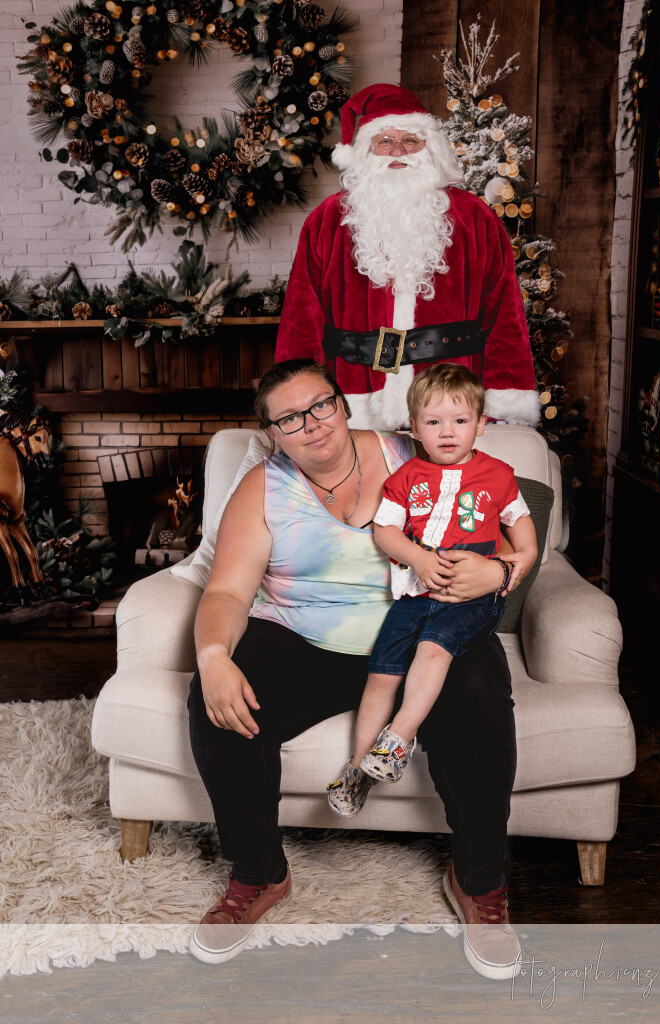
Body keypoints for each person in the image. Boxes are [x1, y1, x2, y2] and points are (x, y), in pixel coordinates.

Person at [187, 358, 521, 981]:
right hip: (303, 635)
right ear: (272, 433)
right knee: (218, 700)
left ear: (342, 405)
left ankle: (479, 881)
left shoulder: (413, 452)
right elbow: (227, 593)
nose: (312, 424)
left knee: (479, 688)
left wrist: (499, 570)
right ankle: (259, 874)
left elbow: (494, 531)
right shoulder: (263, 487)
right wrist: (212, 658)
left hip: (421, 626)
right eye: (290, 419)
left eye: (320, 405)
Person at [326, 364, 537, 816]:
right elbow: (385, 529)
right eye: (433, 421)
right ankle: (357, 770)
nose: (447, 432)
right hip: (415, 593)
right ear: (414, 428)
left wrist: (522, 559)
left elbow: (520, 524)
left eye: (460, 421)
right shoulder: (406, 477)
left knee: (432, 650)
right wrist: (417, 558)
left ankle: (398, 739)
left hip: (470, 599)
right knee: (381, 675)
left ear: (480, 424)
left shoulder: (497, 474)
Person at [276, 82, 540, 432]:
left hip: (450, 404)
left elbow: (505, 315)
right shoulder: (326, 221)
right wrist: (299, 404)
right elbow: (301, 320)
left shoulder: (475, 217)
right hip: (356, 402)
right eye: (384, 141)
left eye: (410, 140)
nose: (397, 151)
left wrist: (506, 399)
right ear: (365, 151)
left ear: (429, 148)